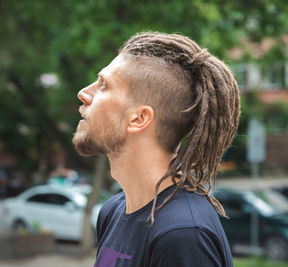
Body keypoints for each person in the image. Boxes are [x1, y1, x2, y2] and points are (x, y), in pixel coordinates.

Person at [72, 32, 240, 267]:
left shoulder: (183, 235)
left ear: (139, 118)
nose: (84, 93)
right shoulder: (112, 212)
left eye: (103, 85)